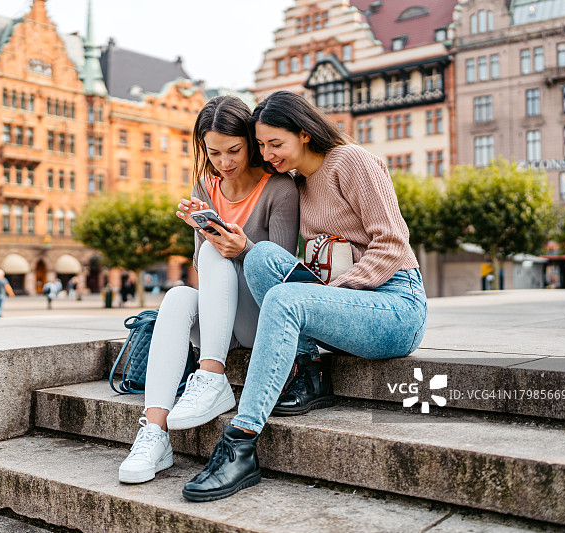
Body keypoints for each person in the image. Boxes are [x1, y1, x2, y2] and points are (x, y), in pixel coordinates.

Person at [181, 91, 428, 502]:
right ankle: (308, 370)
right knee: (261, 258)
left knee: (286, 299)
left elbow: (393, 244)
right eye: (261, 145)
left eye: (275, 144)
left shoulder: (352, 161)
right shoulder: (298, 181)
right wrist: (232, 244)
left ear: (306, 133)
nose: (267, 153)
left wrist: (325, 297)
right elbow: (288, 260)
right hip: (345, 305)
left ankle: (240, 444)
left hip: (395, 306)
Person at [117, 95, 300, 485]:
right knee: (179, 295)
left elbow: (281, 272)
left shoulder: (279, 188)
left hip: (260, 317)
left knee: (221, 255)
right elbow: (202, 269)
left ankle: (213, 378)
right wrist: (203, 234)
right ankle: (155, 432)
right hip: (221, 323)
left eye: (233, 150)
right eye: (213, 153)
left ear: (250, 142)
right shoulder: (205, 186)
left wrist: (242, 248)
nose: (224, 162)